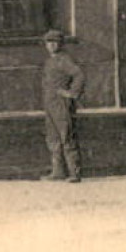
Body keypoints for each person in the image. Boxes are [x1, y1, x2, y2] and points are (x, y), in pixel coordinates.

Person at [40, 28, 85, 182]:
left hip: (61, 104)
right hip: (50, 104)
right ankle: (58, 171)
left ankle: (74, 173)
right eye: (48, 42)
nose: (51, 46)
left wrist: (71, 93)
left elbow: (78, 74)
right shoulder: (50, 61)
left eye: (55, 42)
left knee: (67, 136)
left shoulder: (64, 60)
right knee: (53, 138)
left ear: (61, 44)